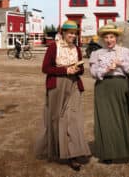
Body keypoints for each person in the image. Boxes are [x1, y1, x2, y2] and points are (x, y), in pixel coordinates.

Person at [35, 20, 91, 171]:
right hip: (57, 86)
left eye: (75, 33)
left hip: (73, 86)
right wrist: (65, 71)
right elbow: (45, 68)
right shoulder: (54, 46)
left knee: (73, 119)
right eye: (70, 33)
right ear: (64, 33)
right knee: (56, 119)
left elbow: (82, 70)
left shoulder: (77, 49)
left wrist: (76, 70)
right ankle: (57, 150)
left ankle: (73, 155)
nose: (73, 35)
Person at [89, 24, 129, 163]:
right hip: (103, 88)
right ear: (103, 39)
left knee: (121, 118)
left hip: (121, 86)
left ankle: (123, 151)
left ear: (116, 38)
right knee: (105, 120)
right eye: (106, 37)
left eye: (112, 37)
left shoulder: (125, 52)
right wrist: (105, 70)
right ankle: (107, 153)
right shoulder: (97, 54)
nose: (109, 40)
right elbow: (93, 73)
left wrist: (121, 63)